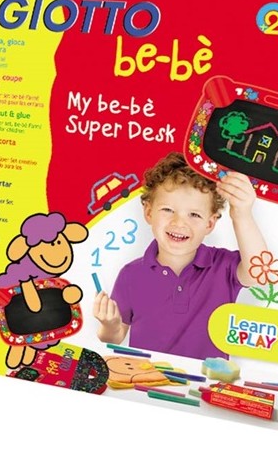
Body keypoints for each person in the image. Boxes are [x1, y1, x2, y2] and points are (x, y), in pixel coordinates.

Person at [93, 152, 267, 360]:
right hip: (146, 377)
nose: (179, 223)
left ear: (209, 224)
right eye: (168, 210)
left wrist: (242, 214)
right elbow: (114, 338)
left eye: (194, 214)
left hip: (207, 379)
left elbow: (258, 272)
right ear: (149, 213)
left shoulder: (223, 266)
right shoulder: (130, 274)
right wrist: (110, 325)